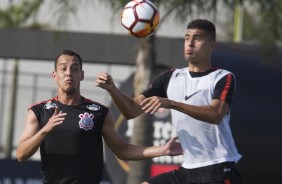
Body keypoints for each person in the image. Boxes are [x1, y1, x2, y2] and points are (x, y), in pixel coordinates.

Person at [96, 19, 243, 184]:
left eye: (198, 38)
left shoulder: (222, 77)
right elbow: (131, 111)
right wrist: (112, 89)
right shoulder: (170, 77)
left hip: (218, 169)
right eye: (187, 38)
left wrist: (171, 103)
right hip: (187, 171)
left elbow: (215, 114)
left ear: (211, 45)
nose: (190, 43)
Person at [16, 49, 183, 184]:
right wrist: (45, 130)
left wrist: (162, 150)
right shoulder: (39, 111)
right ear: (55, 75)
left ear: (81, 75)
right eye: (63, 68)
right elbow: (21, 154)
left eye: (74, 68)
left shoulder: (98, 112)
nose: (69, 73)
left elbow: (123, 150)